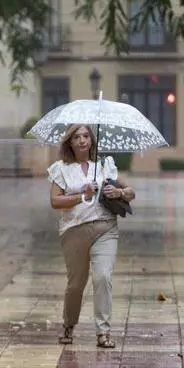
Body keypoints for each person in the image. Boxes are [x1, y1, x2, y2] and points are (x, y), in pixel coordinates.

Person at [46, 124, 135, 348]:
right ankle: (69, 324)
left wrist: (119, 192)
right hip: (74, 230)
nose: (82, 140)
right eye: (77, 137)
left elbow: (131, 192)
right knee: (76, 284)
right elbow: (55, 201)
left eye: (86, 136)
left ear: (92, 140)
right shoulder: (61, 169)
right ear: (70, 142)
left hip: (106, 227)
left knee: (102, 277)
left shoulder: (105, 165)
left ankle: (103, 333)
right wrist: (82, 195)